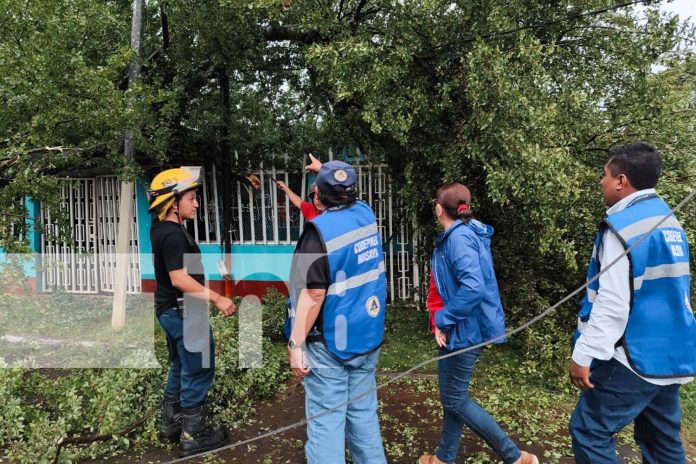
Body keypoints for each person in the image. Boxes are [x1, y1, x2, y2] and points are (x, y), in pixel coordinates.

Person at [569, 142, 695, 463]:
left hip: (634, 356)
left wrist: (584, 353)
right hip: (671, 356)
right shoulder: (669, 222)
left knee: (589, 430)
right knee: (662, 443)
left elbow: (612, 302)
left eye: (604, 175)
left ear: (622, 181)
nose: (601, 182)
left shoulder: (623, 227)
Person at [419, 182, 538, 464]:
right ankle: (443, 458)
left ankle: (516, 456)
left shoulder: (459, 238)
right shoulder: (461, 234)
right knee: (452, 399)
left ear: (439, 208)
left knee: (455, 400)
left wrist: (444, 320)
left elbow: (473, 288)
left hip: (466, 331)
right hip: (464, 328)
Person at [286, 160, 388, 464]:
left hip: (329, 345)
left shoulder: (318, 233)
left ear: (317, 195)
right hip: (366, 337)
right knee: (363, 420)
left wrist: (295, 343)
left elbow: (314, 293)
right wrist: (325, 172)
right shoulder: (366, 214)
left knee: (327, 426)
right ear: (352, 193)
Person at [148, 166, 234, 457]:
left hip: (171, 310)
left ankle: (171, 424)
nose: (196, 203)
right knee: (198, 368)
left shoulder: (162, 228)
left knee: (182, 364)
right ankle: (193, 435)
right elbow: (179, 278)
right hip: (183, 311)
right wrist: (218, 299)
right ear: (173, 201)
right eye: (192, 198)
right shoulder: (172, 235)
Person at [275, 153, 324, 220]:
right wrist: (285, 187)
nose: (317, 200)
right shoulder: (311, 210)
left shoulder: (335, 212)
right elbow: (298, 202)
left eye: (320, 196)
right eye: (314, 196)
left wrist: (322, 169)